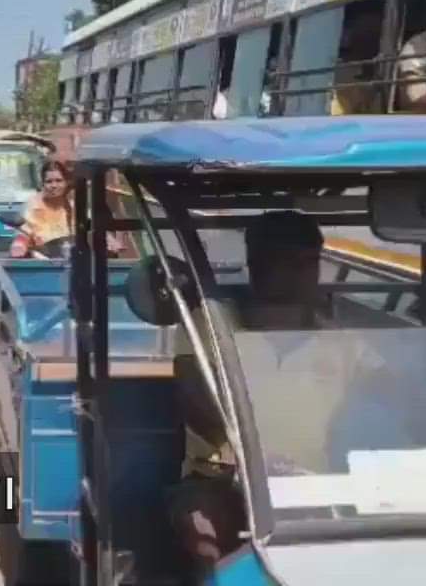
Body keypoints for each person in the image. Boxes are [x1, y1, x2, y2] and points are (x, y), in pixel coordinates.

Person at [167, 211, 328, 577]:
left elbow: (388, 394)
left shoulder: (337, 337)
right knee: (203, 528)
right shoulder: (207, 324)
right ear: (257, 265)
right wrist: (257, 460)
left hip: (317, 484)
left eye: (310, 263)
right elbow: (198, 404)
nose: (301, 275)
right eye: (287, 263)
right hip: (222, 481)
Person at [10, 160, 73, 258]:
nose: (54, 186)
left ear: (66, 182)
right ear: (42, 184)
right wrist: (19, 244)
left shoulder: (73, 206)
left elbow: (89, 233)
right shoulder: (33, 205)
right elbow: (24, 234)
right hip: (43, 264)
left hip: (74, 261)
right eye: (49, 181)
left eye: (59, 180)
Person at [329, 10, 385, 115]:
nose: (370, 42)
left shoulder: (384, 71)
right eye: (367, 35)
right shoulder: (341, 73)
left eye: (375, 36)